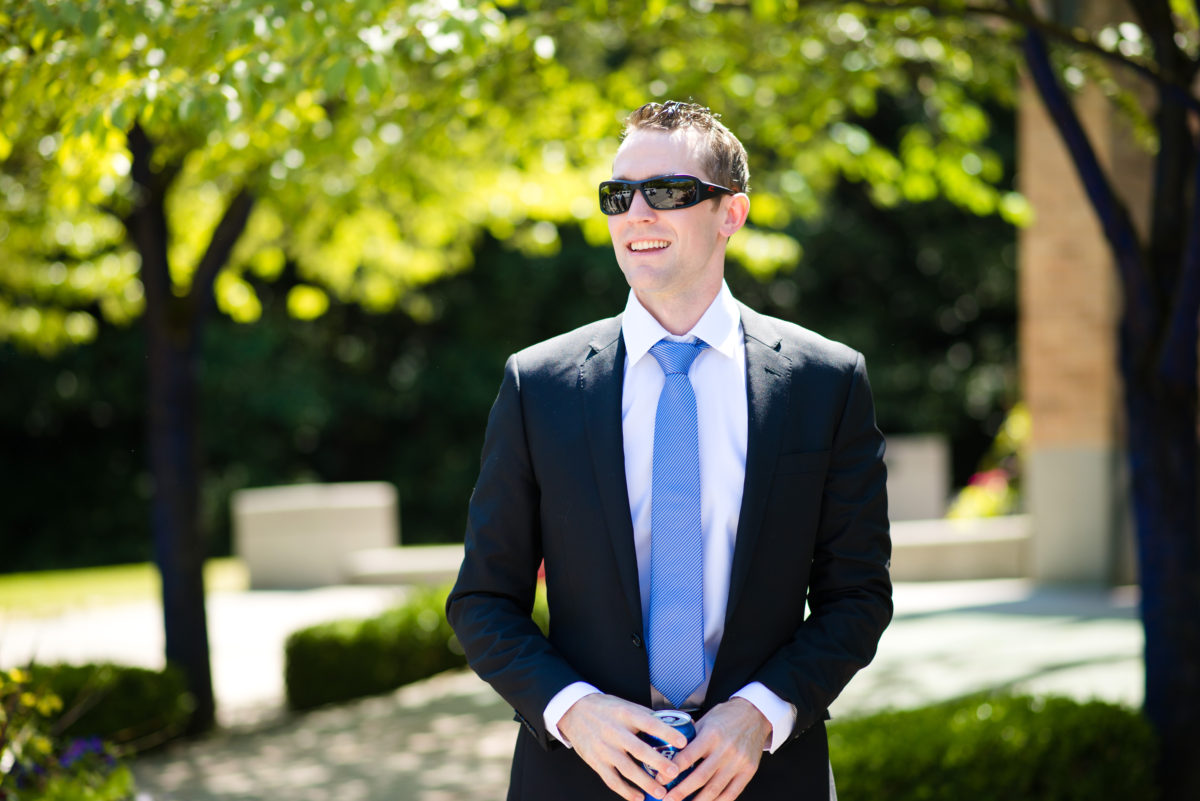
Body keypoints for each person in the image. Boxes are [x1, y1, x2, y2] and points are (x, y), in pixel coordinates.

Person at [446, 100, 892, 801]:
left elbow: (858, 594)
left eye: (668, 192)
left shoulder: (825, 381)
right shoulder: (539, 384)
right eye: (618, 195)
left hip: (765, 774)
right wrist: (574, 710)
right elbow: (481, 600)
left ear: (731, 214)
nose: (637, 214)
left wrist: (763, 712)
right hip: (578, 775)